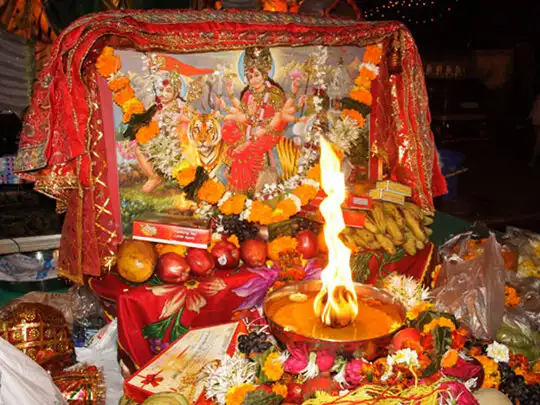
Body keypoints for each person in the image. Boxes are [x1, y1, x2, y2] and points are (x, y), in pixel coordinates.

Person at [219, 47, 296, 193]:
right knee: (228, 127)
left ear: (264, 74)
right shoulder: (248, 94)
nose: (253, 80)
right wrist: (231, 96)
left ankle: (245, 189)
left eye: (256, 75)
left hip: (269, 131)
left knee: (243, 153)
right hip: (251, 128)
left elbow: (278, 118)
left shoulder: (274, 93)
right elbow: (244, 114)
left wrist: (263, 131)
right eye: (250, 77)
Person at [133, 69, 192, 193]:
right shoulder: (157, 107)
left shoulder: (181, 107)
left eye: (168, 91)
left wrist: (179, 119)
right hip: (160, 143)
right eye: (161, 90)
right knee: (138, 149)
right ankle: (154, 178)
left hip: (178, 146)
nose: (164, 94)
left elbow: (191, 121)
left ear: (176, 93)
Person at [529, 92, 540, 168]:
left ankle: (533, 160)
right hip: (537, 122)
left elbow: (534, 110)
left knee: (537, 142)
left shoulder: (537, 100)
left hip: (536, 122)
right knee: (537, 142)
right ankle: (533, 160)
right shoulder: (537, 100)